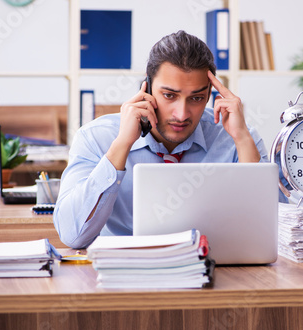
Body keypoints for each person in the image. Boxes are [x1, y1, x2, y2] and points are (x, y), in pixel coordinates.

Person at [53, 30, 269, 248]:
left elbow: (273, 235)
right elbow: (73, 236)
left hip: (216, 271)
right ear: (145, 88)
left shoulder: (237, 136)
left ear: (210, 94)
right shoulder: (96, 137)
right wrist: (121, 145)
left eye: (196, 98)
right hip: (122, 271)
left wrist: (242, 140)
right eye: (169, 96)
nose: (182, 114)